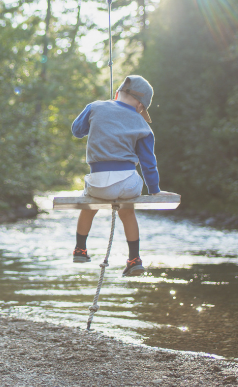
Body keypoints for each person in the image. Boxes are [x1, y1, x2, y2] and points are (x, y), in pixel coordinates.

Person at [70, 74, 171, 276]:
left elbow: (77, 130)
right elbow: (148, 162)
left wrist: (97, 119)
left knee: (89, 206)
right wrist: (154, 190)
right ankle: (134, 259)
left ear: (117, 93)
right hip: (127, 183)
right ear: (141, 106)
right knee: (127, 211)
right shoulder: (142, 124)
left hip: (98, 182)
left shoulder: (95, 107)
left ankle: (80, 249)